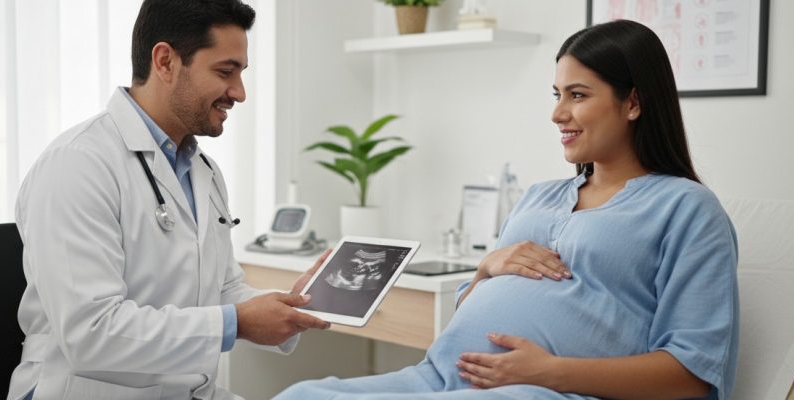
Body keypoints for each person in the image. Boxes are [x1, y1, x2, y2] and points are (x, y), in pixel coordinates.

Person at [275, 19, 739, 400]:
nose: (558, 113)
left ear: (633, 102)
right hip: (437, 377)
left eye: (577, 95)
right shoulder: (540, 196)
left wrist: (550, 372)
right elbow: (470, 308)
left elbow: (693, 374)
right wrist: (486, 268)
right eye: (557, 95)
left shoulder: (685, 209)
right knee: (301, 394)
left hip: (552, 392)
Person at [6, 1, 331, 399]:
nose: (239, 93)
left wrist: (290, 304)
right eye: (225, 72)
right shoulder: (77, 164)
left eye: (241, 73)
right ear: (165, 62)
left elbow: (222, 290)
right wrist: (236, 324)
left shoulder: (203, 171)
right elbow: (91, 333)